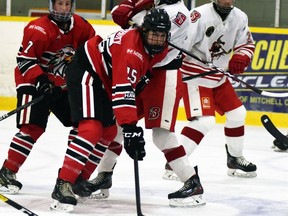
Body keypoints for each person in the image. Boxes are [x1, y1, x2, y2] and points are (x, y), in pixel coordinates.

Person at [76, 0, 206, 208]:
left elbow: (145, 27)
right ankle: (104, 175)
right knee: (118, 123)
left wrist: (132, 11)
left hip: (164, 75)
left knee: (161, 134)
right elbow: (122, 15)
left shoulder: (179, 13)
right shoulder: (156, 3)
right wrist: (130, 7)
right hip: (143, 71)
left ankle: (192, 182)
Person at [50, 8, 172, 212]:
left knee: (108, 132)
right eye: (153, 34)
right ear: (143, 31)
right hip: (87, 70)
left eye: (162, 35)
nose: (157, 40)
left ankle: (80, 179)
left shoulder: (160, 47)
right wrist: (131, 128)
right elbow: (123, 91)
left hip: (105, 78)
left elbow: (141, 72)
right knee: (91, 129)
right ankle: (63, 183)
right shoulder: (130, 51)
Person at [0, 0, 96, 194]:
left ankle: (71, 175)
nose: (64, 8)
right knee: (32, 127)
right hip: (33, 82)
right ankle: (7, 172)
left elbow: (93, 52)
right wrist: (42, 82)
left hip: (62, 85)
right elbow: (24, 60)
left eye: (67, 4)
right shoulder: (38, 29)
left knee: (82, 124)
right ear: (52, 6)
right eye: (60, 3)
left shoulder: (82, 26)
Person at [163, 0, 257, 180]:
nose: (227, 0)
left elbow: (247, 44)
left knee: (238, 114)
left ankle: (235, 158)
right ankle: (175, 163)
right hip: (195, 77)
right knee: (204, 121)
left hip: (218, 77)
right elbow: (180, 44)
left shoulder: (240, 17)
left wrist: (240, 56)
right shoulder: (198, 16)